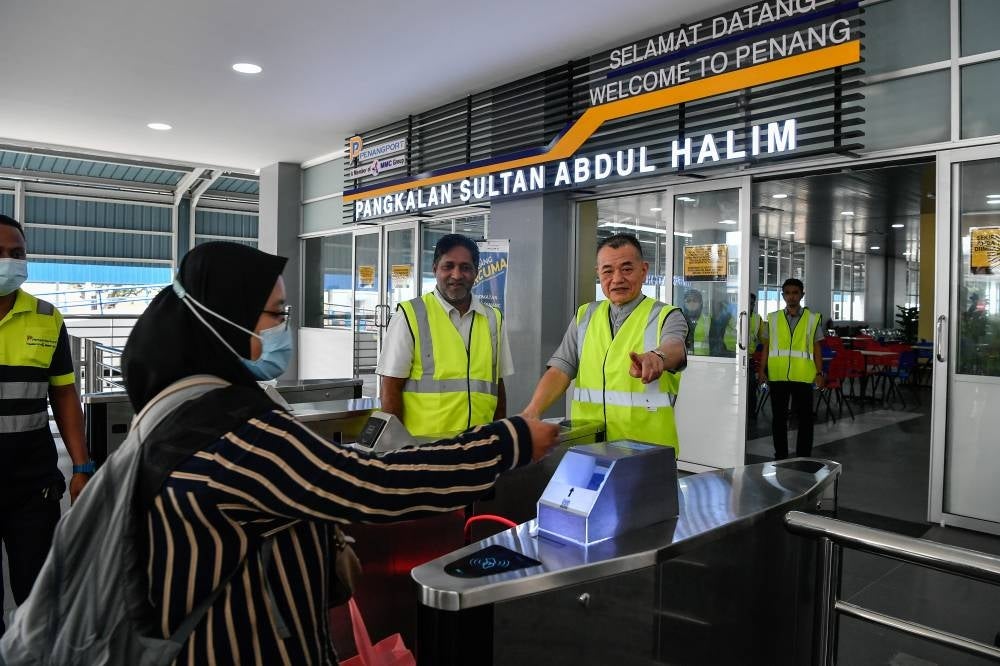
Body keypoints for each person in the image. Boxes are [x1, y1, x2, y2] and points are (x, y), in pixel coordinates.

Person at [116, 242, 558, 664]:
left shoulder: (179, 403)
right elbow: (372, 483)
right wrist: (507, 443)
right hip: (240, 645)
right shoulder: (234, 432)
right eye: (276, 314)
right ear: (226, 320)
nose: (283, 326)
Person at [0, 214, 90, 634]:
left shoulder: (47, 316)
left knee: (38, 593)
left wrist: (81, 466)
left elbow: (65, 393)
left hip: (31, 483)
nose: (9, 261)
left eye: (16, 253)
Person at [522, 233, 687, 450]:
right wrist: (531, 412)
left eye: (627, 269)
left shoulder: (666, 315)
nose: (617, 279)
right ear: (598, 274)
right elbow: (560, 370)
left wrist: (658, 357)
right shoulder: (585, 315)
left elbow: (674, 348)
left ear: (644, 270)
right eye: (608, 271)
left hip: (646, 450)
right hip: (589, 447)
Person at [377, 234, 513, 436]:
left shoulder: (493, 319)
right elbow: (390, 388)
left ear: (476, 272)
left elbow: (497, 387)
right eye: (448, 266)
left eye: (465, 267)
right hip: (425, 451)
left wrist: (500, 439)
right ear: (435, 269)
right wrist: (397, 447)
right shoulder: (410, 315)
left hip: (479, 447)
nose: (457, 275)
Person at [757, 278, 825, 459]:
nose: (791, 296)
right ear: (783, 295)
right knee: (779, 419)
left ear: (802, 295)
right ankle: (780, 455)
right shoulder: (772, 318)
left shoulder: (812, 319)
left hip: (804, 376)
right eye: (787, 293)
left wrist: (819, 373)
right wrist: (762, 371)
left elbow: (817, 348)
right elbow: (766, 346)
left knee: (805, 419)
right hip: (778, 376)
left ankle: (803, 455)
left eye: (795, 293)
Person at [681, 289, 712, 356]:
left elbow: (715, 343)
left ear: (700, 302)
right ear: (684, 303)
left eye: (695, 300)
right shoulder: (679, 320)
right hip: (684, 360)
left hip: (704, 360)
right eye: (688, 301)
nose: (691, 303)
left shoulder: (708, 320)